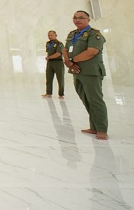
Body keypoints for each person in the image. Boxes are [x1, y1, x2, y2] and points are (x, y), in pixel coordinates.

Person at [63, 10, 108, 140]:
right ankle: (94, 127)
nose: (77, 20)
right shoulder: (72, 34)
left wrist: (72, 61)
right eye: (75, 17)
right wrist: (68, 62)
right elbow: (65, 49)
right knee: (86, 99)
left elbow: (92, 52)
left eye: (81, 18)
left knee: (95, 100)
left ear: (88, 20)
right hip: (76, 71)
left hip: (91, 72)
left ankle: (102, 129)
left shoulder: (94, 34)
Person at [43, 30, 65, 98]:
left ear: (56, 35)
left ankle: (61, 94)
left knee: (60, 79)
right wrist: (48, 58)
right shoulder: (48, 43)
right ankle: (48, 92)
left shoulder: (59, 44)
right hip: (50, 63)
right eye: (48, 35)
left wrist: (49, 57)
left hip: (58, 62)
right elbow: (48, 52)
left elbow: (58, 53)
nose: (49, 36)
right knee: (48, 78)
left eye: (51, 35)